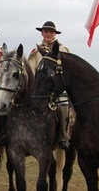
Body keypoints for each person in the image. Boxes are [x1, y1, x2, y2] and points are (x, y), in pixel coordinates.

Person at [28, 21, 73, 149]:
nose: (48, 34)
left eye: (50, 31)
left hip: (56, 89)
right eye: (45, 31)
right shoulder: (35, 51)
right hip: (40, 89)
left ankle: (64, 136)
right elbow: (31, 69)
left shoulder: (62, 49)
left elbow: (67, 70)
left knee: (63, 105)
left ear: (54, 34)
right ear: (42, 33)